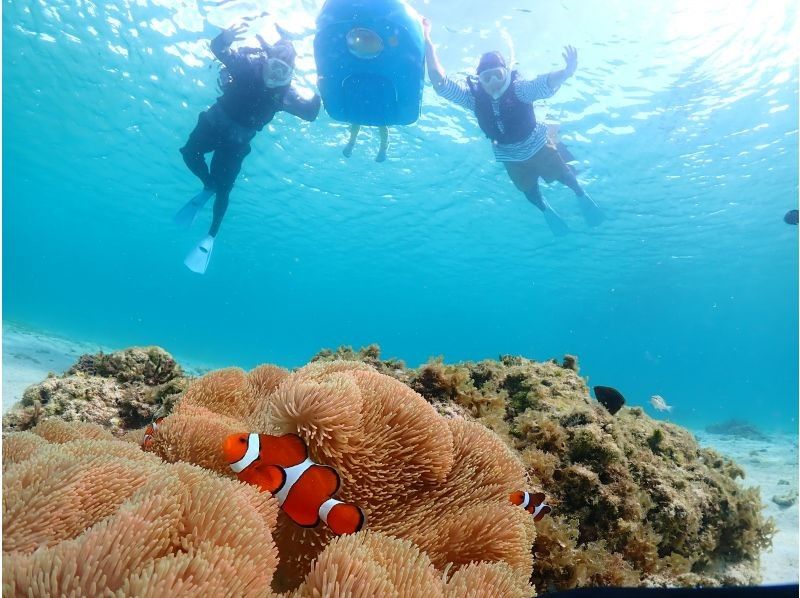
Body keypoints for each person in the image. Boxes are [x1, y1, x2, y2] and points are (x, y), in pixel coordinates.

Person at [422, 19, 604, 236]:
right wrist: (426, 38)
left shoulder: (520, 90)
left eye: (497, 75)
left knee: (563, 174)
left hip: (538, 147)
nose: (492, 83)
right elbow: (440, 83)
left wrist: (566, 72)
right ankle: (545, 208)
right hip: (510, 158)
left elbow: (544, 84)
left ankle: (580, 193)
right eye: (485, 78)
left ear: (506, 73)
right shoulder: (473, 99)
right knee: (529, 190)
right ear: (479, 81)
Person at [176, 24, 322, 273]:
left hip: (236, 145)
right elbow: (219, 50)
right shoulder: (246, 66)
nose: (275, 76)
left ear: (290, 75)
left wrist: (321, 90)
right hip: (213, 124)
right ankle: (207, 184)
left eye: (283, 72)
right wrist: (225, 38)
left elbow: (309, 114)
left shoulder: (285, 94)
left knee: (225, 191)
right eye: (273, 66)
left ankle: (210, 236)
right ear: (266, 61)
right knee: (189, 154)